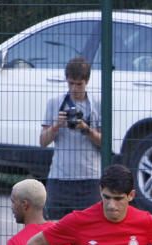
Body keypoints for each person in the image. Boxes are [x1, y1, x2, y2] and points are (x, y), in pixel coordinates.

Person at [39, 56, 102, 220]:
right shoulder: (55, 103)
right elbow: (43, 142)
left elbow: (105, 142)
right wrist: (56, 125)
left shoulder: (97, 104)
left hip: (89, 178)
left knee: (89, 230)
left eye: (79, 84)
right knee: (55, 228)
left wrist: (86, 128)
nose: (74, 88)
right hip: (60, 178)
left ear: (86, 81)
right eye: (70, 83)